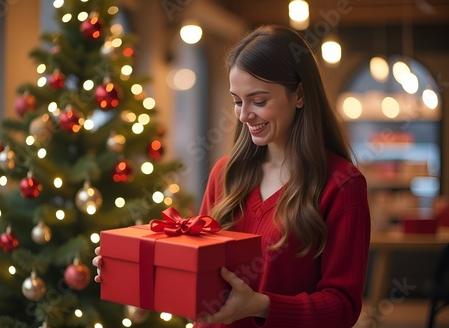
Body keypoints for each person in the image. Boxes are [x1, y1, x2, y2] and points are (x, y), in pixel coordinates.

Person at [93, 24, 371, 328]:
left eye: (259, 101)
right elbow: (200, 278)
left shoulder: (342, 185)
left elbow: (343, 306)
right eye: (238, 101)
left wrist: (262, 306)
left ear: (300, 94)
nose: (243, 115)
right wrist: (132, 270)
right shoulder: (224, 174)